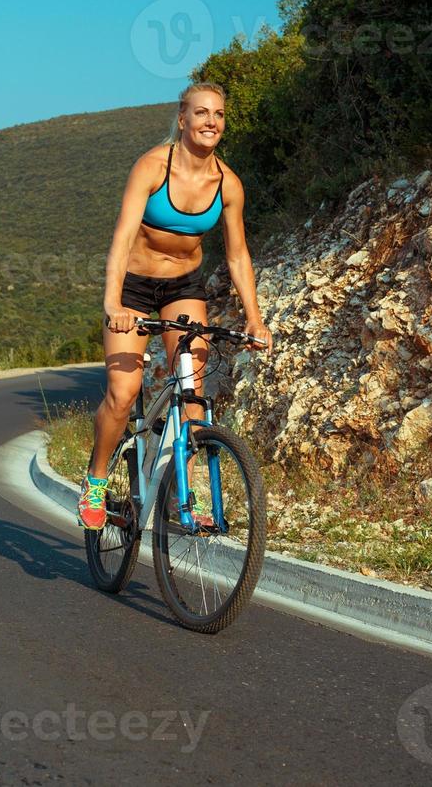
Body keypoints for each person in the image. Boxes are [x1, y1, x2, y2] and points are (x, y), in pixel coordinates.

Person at [79, 81, 273, 530]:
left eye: (219, 115)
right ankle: (95, 479)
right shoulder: (151, 167)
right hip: (132, 288)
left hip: (183, 286)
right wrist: (113, 302)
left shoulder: (228, 184)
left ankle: (177, 496)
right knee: (124, 394)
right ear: (182, 118)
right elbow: (123, 236)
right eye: (202, 113)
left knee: (192, 400)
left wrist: (256, 318)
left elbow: (237, 254)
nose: (211, 122)